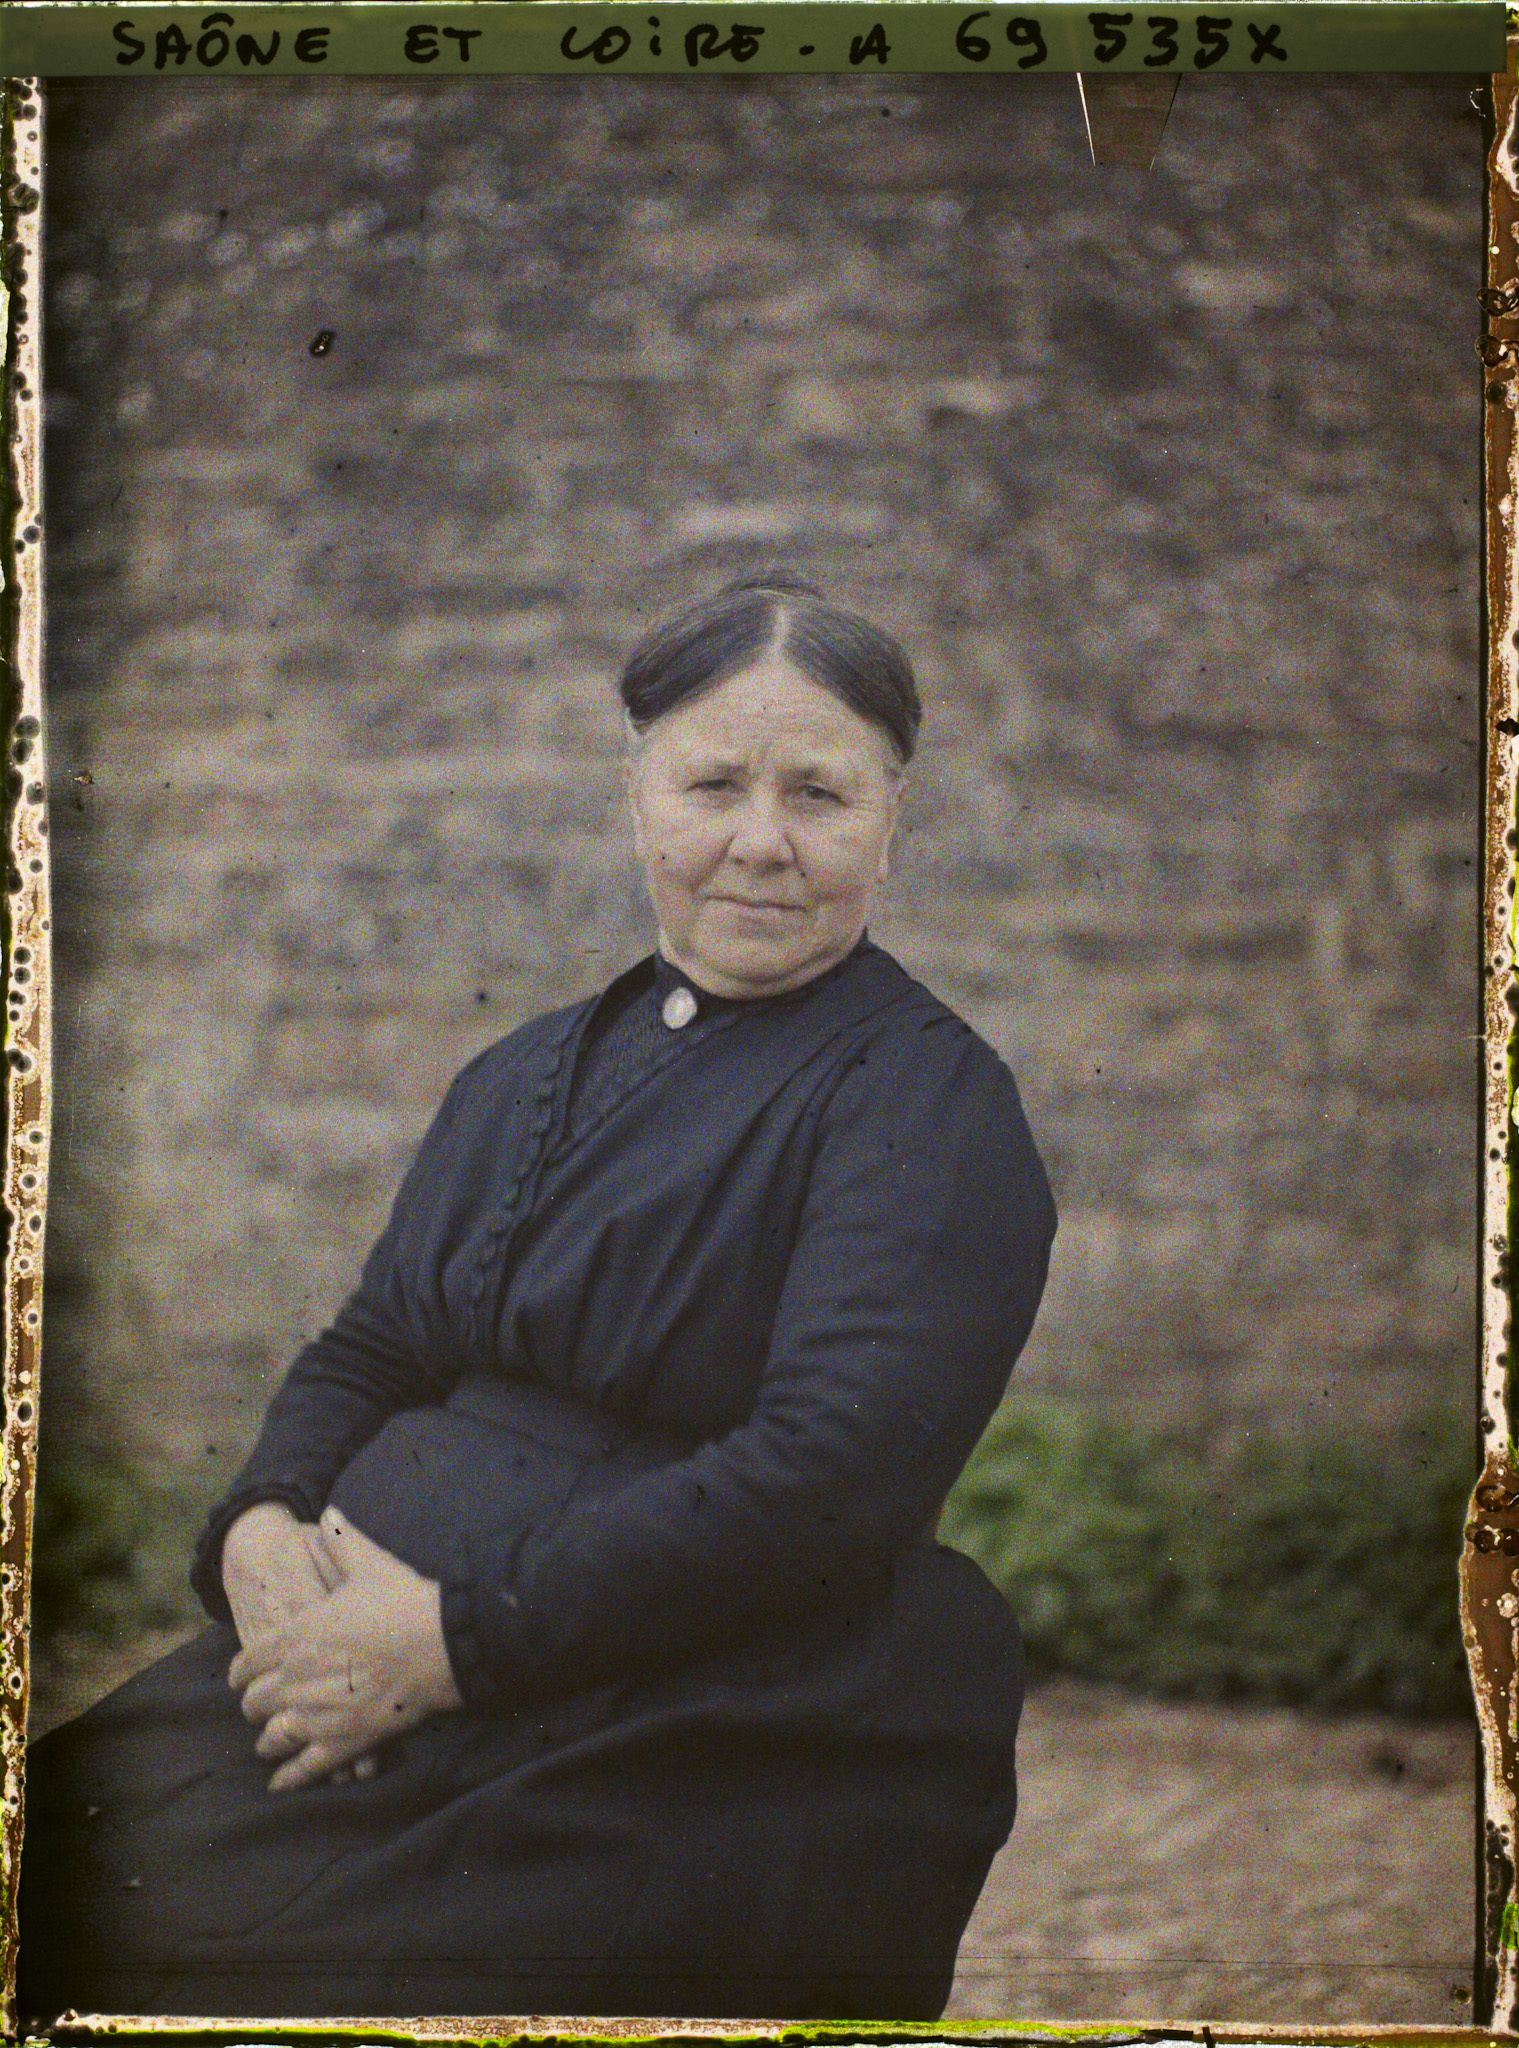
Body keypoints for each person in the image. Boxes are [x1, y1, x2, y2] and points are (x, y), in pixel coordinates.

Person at [19, 573, 1057, 2022]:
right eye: (711, 784)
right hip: (345, 1671)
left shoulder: (926, 1102)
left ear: (895, 818)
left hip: (673, 1703)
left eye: (820, 794)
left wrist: (449, 1646)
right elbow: (376, 1341)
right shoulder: (522, 1071)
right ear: (637, 795)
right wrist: (257, 1534)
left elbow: (829, 1478)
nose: (761, 842)